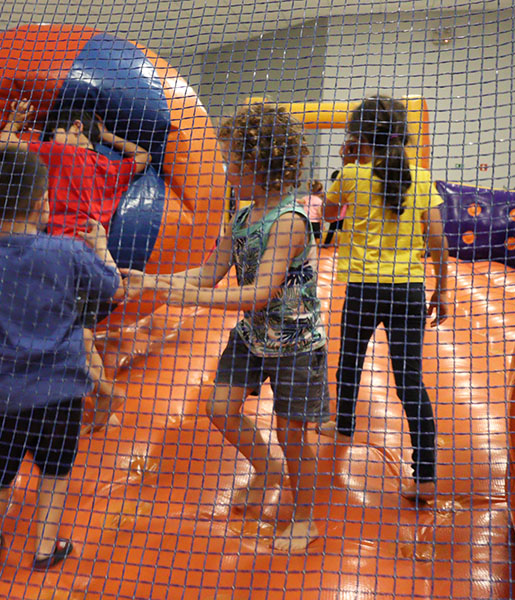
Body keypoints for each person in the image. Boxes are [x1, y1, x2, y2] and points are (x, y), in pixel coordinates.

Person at [0, 145, 139, 575]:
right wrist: (100, 246)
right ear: (42, 203)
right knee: (55, 470)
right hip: (60, 391)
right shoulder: (67, 251)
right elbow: (116, 290)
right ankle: (45, 546)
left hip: (3, 395)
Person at [134, 103, 329, 552]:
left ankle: (305, 519)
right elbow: (209, 272)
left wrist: (187, 298)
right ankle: (267, 468)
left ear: (260, 167)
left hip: (294, 343)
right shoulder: (242, 216)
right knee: (220, 408)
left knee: (291, 434)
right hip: (253, 336)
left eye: (233, 163)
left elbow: (258, 292)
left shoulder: (289, 222)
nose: (227, 171)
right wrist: (156, 282)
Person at [318, 95, 450, 503]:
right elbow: (437, 239)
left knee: (350, 361)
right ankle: (424, 475)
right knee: (410, 381)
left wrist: (345, 162)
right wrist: (443, 289)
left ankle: (343, 423)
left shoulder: (352, 174)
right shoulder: (422, 178)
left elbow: (327, 214)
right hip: (407, 291)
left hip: (363, 288)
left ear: (359, 137)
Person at [0, 100, 152, 431]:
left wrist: (14, 121)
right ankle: (102, 398)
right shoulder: (107, 168)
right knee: (80, 332)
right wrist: (106, 137)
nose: (51, 139)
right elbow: (143, 157)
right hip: (94, 260)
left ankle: (103, 392)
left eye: (54, 133)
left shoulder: (61, 154)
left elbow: (5, 146)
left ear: (76, 127)